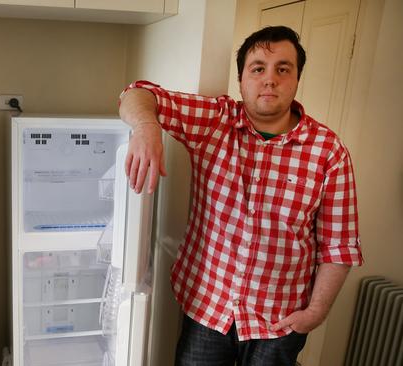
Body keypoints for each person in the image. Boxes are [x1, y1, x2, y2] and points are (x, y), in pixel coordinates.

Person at [118, 26, 363, 366]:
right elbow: (137, 93)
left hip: (280, 321)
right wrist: (146, 128)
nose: (270, 79)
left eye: (283, 68)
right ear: (241, 79)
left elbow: (340, 244)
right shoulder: (216, 120)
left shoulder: (329, 151)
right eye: (258, 68)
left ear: (296, 78)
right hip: (208, 308)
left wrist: (316, 312)